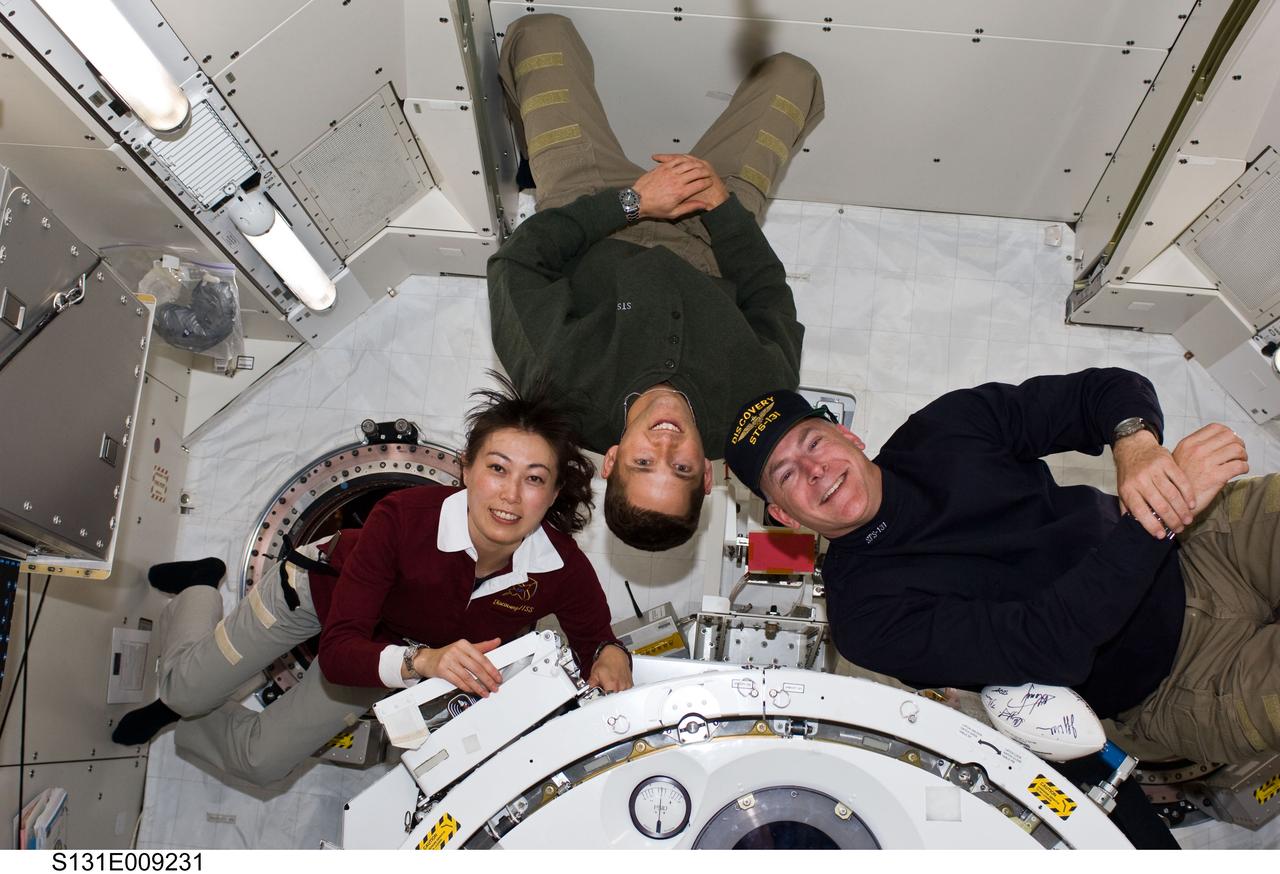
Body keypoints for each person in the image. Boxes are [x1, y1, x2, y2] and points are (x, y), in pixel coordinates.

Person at [722, 368, 1275, 770]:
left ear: (849, 435)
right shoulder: (868, 619)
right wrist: (1160, 513)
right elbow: (1048, 642)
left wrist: (1137, 445)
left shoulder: (946, 428)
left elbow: (1098, 392)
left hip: (1206, 543)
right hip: (1181, 685)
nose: (816, 470)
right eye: (787, 474)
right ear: (782, 514)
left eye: (813, 441)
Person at [111, 376, 632, 786]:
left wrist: (612, 655)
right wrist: (424, 661)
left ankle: (190, 716)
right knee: (181, 687)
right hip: (317, 598)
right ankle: (199, 589)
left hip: (386, 657)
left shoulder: (560, 567)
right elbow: (338, 652)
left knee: (260, 762)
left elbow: (597, 642)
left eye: (535, 478)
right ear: (468, 469)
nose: (512, 494)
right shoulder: (403, 516)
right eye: (498, 468)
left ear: (554, 490)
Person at [488, 13, 823, 551]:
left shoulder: (560, 389)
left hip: (591, 206)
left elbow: (516, 266)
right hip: (710, 230)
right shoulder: (755, 406)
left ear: (613, 460)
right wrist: (723, 208)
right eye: (683, 468)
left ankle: (536, 148)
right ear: (709, 476)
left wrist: (633, 202)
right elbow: (768, 293)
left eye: (644, 463)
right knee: (793, 76)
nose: (665, 446)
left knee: (542, 34)